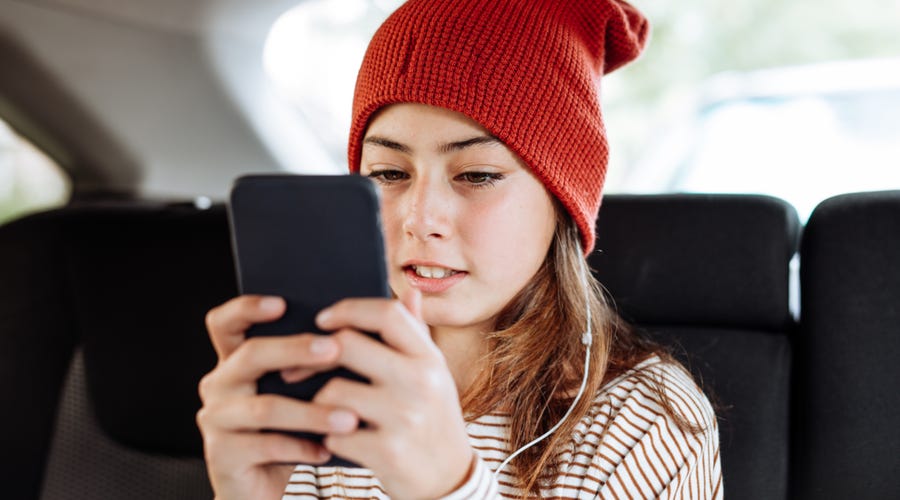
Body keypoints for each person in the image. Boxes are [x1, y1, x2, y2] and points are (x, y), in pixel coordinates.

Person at [197, 0, 722, 498]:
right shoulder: (324, 384)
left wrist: (448, 486)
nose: (420, 218)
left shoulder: (645, 424)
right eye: (388, 174)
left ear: (563, 200)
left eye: (477, 174)